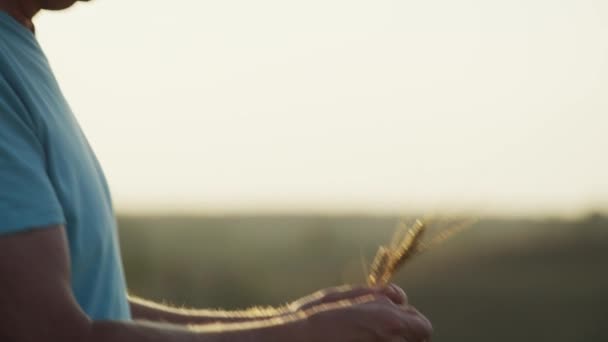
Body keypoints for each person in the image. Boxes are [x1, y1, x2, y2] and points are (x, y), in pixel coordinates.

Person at [0, 1, 433, 341]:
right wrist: (301, 335)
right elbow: (50, 333)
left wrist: (296, 318)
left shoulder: (18, 46)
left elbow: (94, 305)